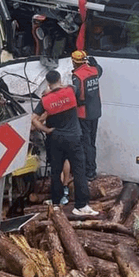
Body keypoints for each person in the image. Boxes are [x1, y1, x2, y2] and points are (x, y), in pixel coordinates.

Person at [32, 70, 98, 216]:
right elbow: (72, 87)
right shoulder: (70, 91)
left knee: (55, 172)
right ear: (59, 79)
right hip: (74, 138)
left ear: (48, 82)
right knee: (79, 171)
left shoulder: (45, 100)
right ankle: (81, 206)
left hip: (55, 139)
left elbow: (34, 119)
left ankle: (56, 203)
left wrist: (46, 130)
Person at [71, 50, 103, 181]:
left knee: (86, 143)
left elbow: (76, 93)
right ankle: (91, 169)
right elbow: (100, 70)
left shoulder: (77, 75)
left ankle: (89, 171)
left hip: (83, 113)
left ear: (74, 62)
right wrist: (96, 63)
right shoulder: (94, 70)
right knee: (92, 141)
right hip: (95, 111)